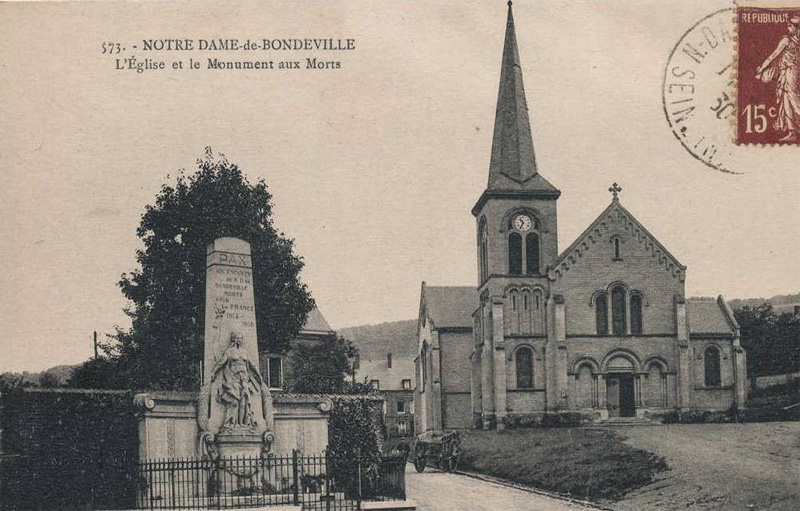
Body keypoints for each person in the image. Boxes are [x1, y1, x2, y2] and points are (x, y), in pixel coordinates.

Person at [755, 16, 800, 142]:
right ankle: (792, 132)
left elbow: (773, 56)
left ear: (797, 28)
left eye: (790, 26)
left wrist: (761, 69)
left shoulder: (786, 40)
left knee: (792, 99)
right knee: (787, 100)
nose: (788, 28)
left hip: (790, 74)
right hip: (790, 73)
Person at [212, 331, 264, 431]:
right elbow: (221, 363)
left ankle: (243, 423)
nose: (240, 340)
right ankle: (230, 423)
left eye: (241, 338)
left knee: (244, 400)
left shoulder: (245, 352)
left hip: (244, 378)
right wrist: (213, 372)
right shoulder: (229, 351)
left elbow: (252, 365)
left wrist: (258, 375)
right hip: (233, 378)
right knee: (234, 400)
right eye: (238, 338)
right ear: (234, 339)